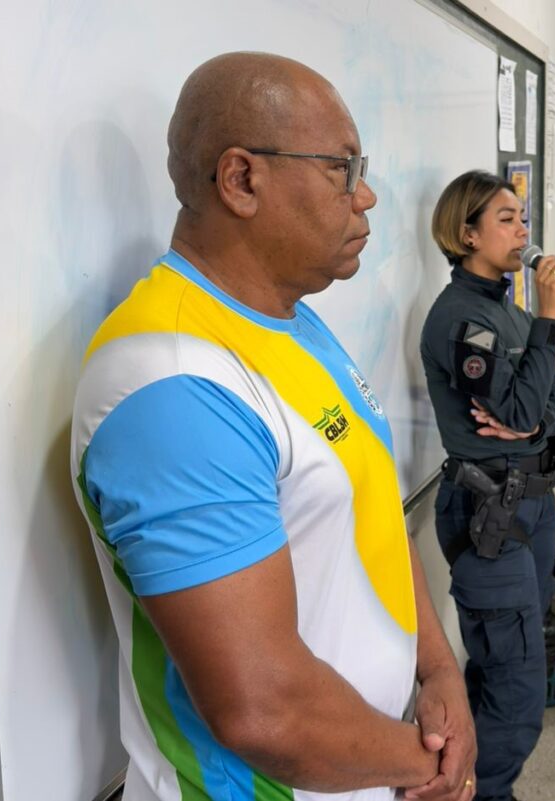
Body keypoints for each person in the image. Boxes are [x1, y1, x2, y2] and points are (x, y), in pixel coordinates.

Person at [70, 52, 475, 801]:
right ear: (242, 180)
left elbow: (369, 515)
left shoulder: (292, 322)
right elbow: (263, 708)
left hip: (372, 768)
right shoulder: (173, 384)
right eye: (342, 170)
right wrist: (432, 764)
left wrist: (438, 669)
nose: (368, 197)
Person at [419, 171, 555, 801]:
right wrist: (550, 322)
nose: (523, 231)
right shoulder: (462, 320)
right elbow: (512, 415)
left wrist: (533, 418)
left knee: (502, 669)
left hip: (532, 509)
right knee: (516, 695)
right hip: (489, 514)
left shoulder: (508, 312)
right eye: (507, 219)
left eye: (524, 218)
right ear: (467, 233)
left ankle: (473, 788)